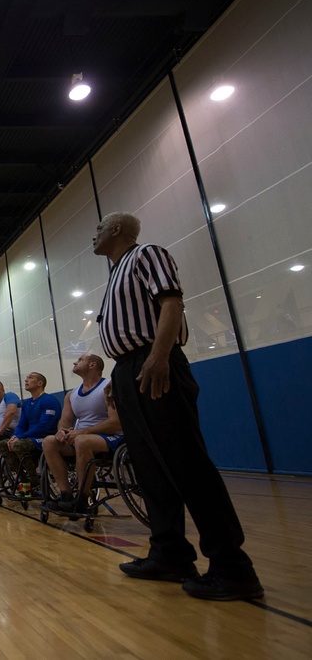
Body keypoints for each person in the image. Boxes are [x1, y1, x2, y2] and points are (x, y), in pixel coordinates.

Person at [94, 211, 263, 601]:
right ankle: (169, 554)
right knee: (149, 469)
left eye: (99, 229)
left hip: (155, 364)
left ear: (117, 229)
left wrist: (159, 356)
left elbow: (172, 302)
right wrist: (120, 377)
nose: (94, 236)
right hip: (130, 369)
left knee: (186, 464)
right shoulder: (115, 273)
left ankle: (232, 567)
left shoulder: (146, 254)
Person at [42, 354, 121, 513]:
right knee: (49, 442)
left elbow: (115, 423)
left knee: (82, 441)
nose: (74, 362)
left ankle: (82, 499)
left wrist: (82, 432)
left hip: (111, 437)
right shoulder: (72, 394)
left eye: (80, 360)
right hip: (81, 437)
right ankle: (66, 495)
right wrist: (61, 431)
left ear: (92, 365)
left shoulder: (108, 387)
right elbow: (65, 420)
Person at [0, 372, 61, 495]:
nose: (26, 380)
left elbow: (44, 426)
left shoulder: (49, 401)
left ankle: (36, 483)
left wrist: (21, 437)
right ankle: (24, 482)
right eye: (26, 378)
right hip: (29, 438)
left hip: (45, 437)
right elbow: (22, 425)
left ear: (40, 383)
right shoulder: (26, 403)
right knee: (4, 444)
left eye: (30, 378)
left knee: (18, 445)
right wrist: (14, 436)